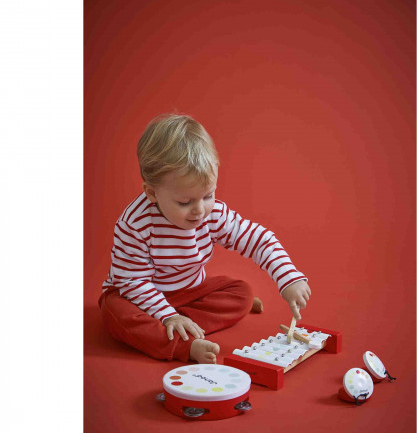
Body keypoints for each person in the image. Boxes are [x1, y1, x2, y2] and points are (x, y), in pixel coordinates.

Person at [99, 114, 311, 364]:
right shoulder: (135, 224)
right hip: (136, 295)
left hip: (191, 292)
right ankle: (182, 343)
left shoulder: (213, 214)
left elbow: (258, 239)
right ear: (152, 193)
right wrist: (168, 315)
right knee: (116, 313)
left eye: (208, 195)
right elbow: (132, 281)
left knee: (241, 293)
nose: (199, 210)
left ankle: (178, 325)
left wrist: (288, 278)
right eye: (184, 202)